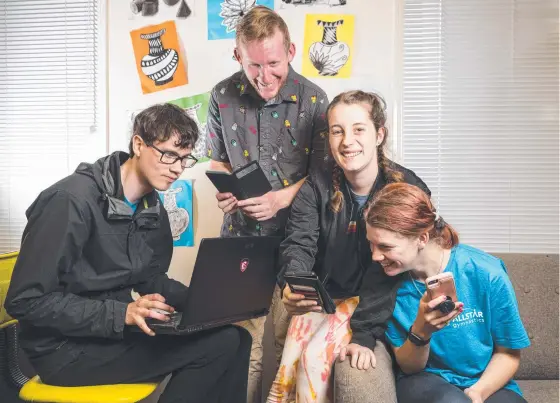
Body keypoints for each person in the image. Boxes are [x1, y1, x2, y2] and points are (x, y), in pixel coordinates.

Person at [5, 104, 252, 403]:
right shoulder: (70, 201)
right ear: (138, 144)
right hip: (63, 350)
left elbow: (150, 279)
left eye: (185, 159)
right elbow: (25, 300)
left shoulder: (151, 206)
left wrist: (209, 305)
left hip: (107, 335)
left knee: (237, 336)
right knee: (218, 346)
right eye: (169, 154)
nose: (177, 168)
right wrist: (123, 313)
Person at [266, 90, 430, 403]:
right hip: (328, 295)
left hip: (374, 301)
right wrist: (293, 284)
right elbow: (298, 243)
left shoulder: (408, 189)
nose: (347, 141)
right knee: (287, 369)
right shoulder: (317, 184)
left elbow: (393, 271)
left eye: (358, 129)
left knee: (315, 359)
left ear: (379, 134)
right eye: (337, 131)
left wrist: (365, 332)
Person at [206, 6, 329, 402]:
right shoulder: (221, 95)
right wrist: (224, 190)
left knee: (289, 348)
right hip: (240, 241)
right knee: (244, 348)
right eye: (253, 65)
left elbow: (324, 176)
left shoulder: (316, 99)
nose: (264, 77)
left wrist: (280, 199)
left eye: (273, 64)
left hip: (299, 244)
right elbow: (217, 157)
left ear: (291, 51)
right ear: (238, 56)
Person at [365, 182, 530, 403]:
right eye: (371, 245)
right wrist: (422, 331)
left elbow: (509, 354)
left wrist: (478, 392)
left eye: (385, 247)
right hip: (424, 380)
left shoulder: (487, 273)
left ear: (422, 238)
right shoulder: (387, 285)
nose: (375, 256)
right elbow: (409, 366)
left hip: (485, 381)